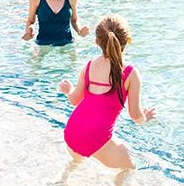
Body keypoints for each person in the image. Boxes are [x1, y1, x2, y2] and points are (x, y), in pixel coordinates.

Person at [59, 15, 156, 169]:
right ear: (128, 41)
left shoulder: (90, 66)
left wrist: (68, 90)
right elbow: (136, 116)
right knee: (129, 169)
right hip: (96, 138)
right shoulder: (131, 73)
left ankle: (66, 179)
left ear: (97, 42)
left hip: (72, 133)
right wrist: (145, 118)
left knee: (78, 160)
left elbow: (75, 100)